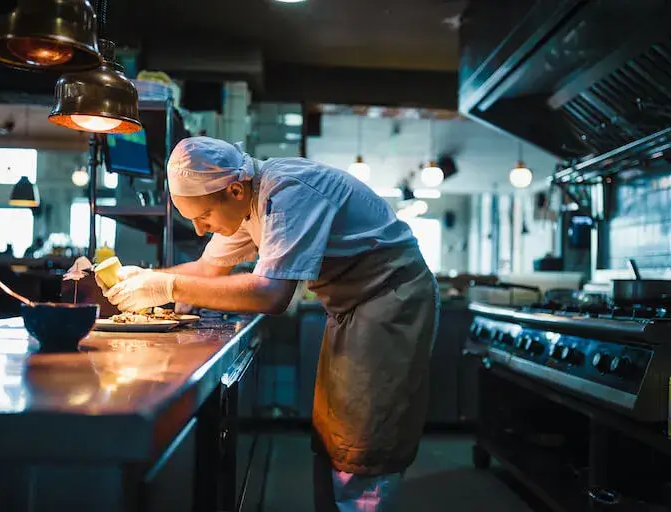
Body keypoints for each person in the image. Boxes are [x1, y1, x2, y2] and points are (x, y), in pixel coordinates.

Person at [96, 137, 439, 511]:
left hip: (390, 299)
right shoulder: (245, 205)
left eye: (203, 217)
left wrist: (167, 285)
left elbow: (271, 295)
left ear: (235, 190)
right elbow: (208, 270)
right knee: (338, 433)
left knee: (368, 438)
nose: (198, 230)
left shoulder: (287, 194)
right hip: (352, 308)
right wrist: (144, 280)